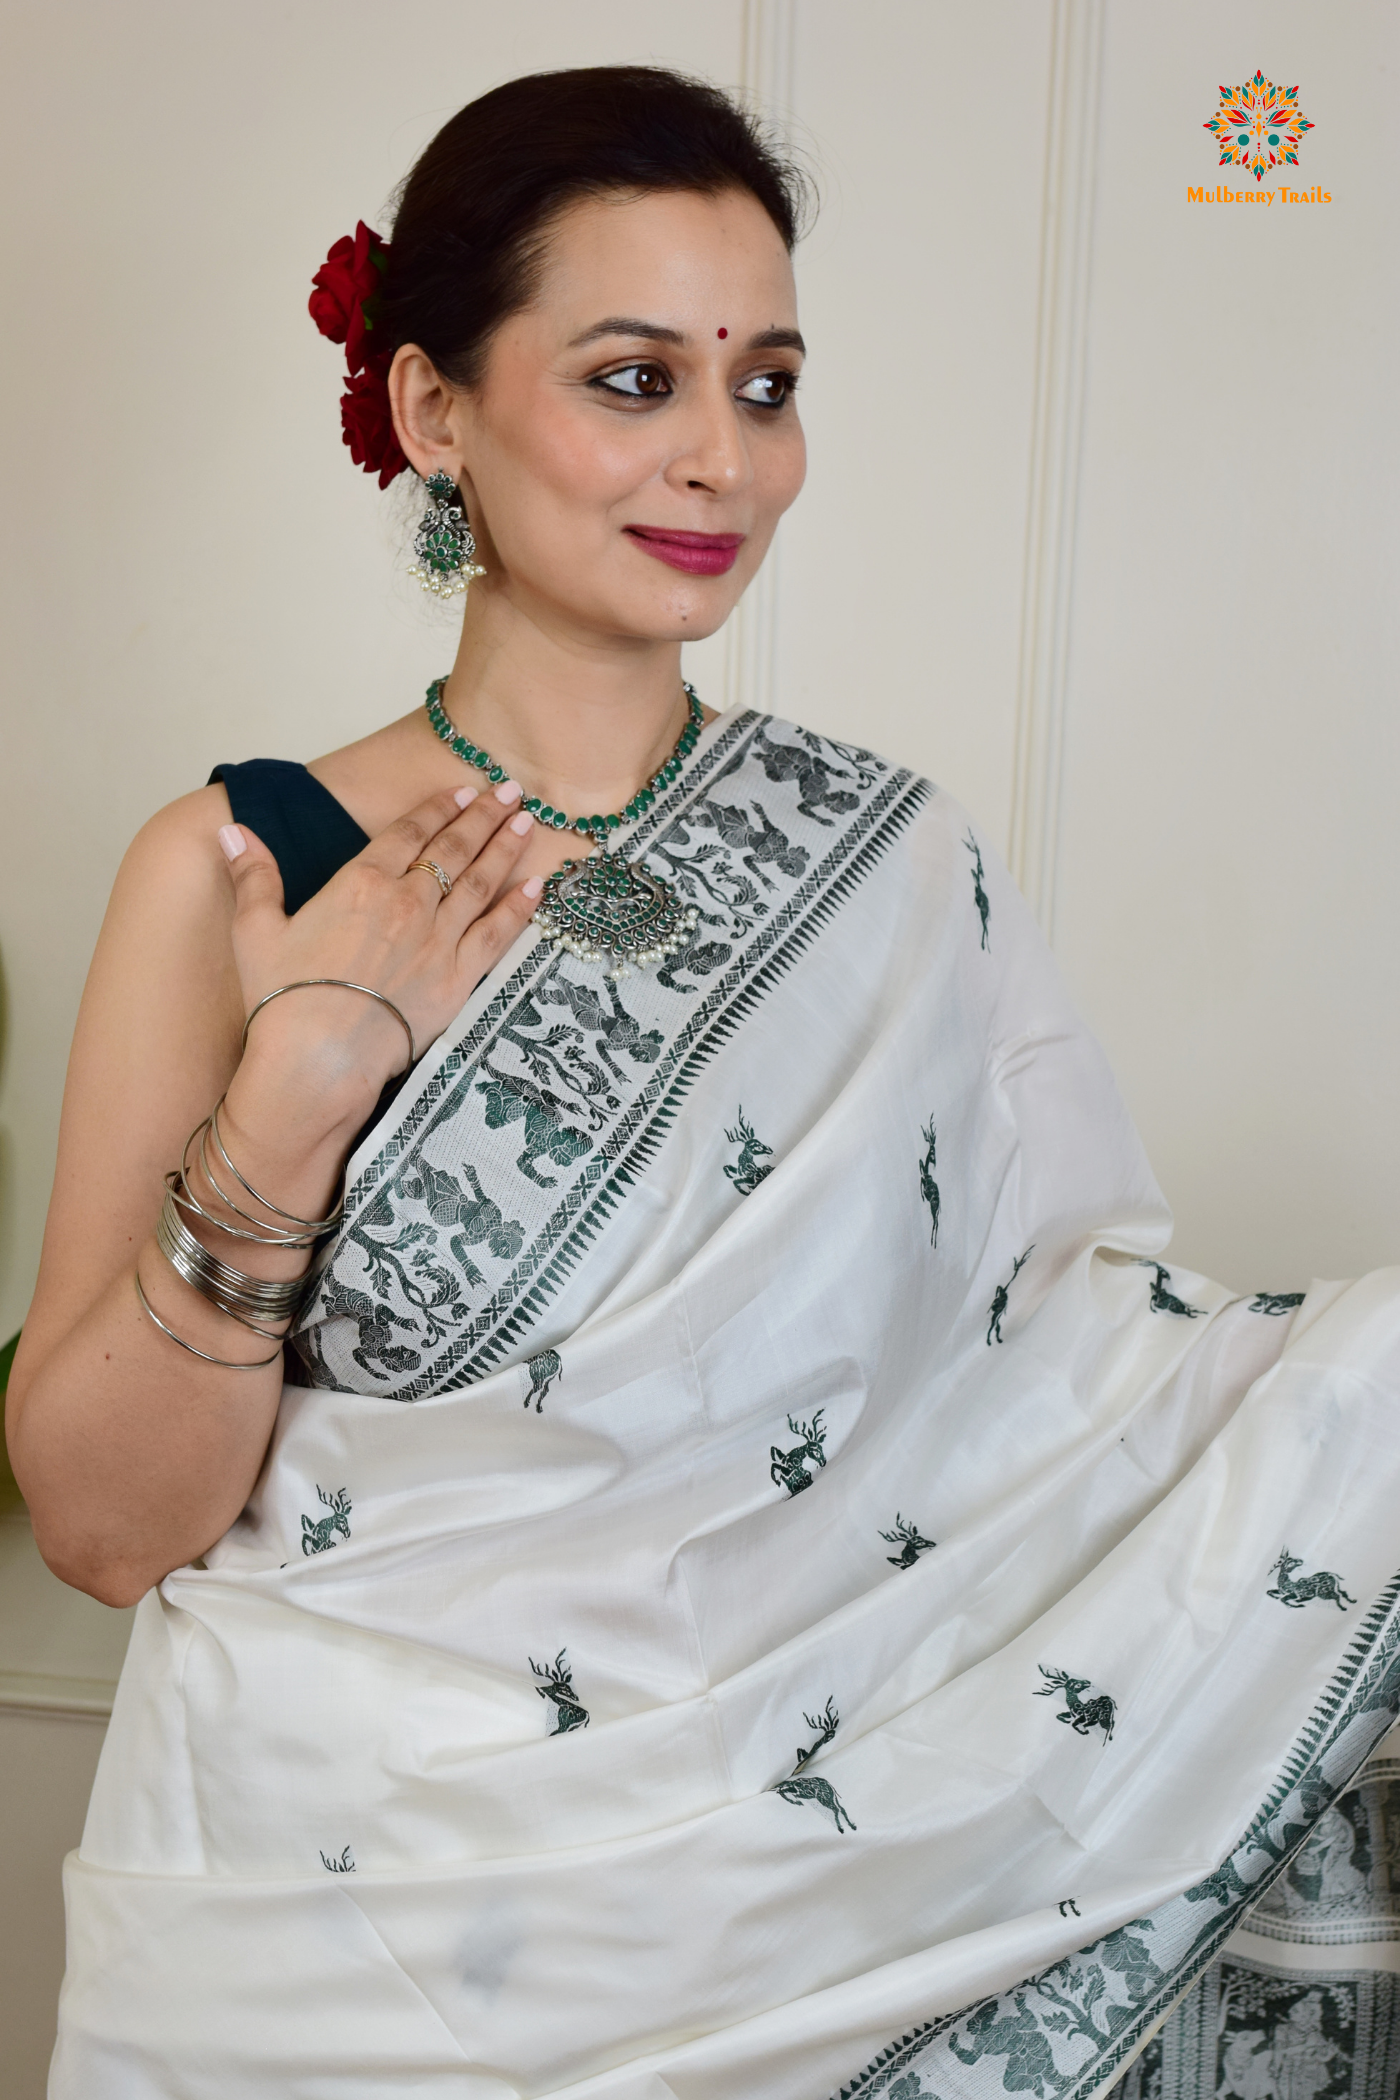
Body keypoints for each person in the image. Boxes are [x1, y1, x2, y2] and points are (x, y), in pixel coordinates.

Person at [7, 64, 1399, 2100]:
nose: (721, 460)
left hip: (800, 1914)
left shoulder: (896, 866)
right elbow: (107, 1529)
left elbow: (1068, 1382)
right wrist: (298, 1097)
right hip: (337, 1947)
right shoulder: (241, 867)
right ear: (430, 409)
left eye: (764, 382)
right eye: (634, 376)